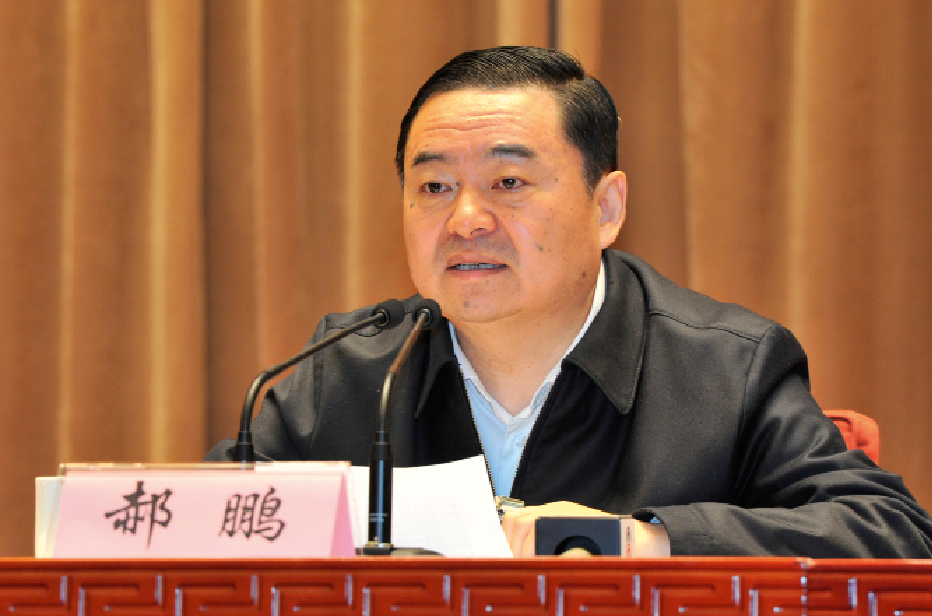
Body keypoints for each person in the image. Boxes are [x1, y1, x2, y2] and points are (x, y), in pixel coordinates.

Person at [207, 46, 932, 558]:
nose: (466, 219)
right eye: (433, 187)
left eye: (509, 183)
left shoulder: (724, 370)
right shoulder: (350, 368)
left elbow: (892, 533)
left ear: (606, 207)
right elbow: (199, 529)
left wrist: (645, 540)